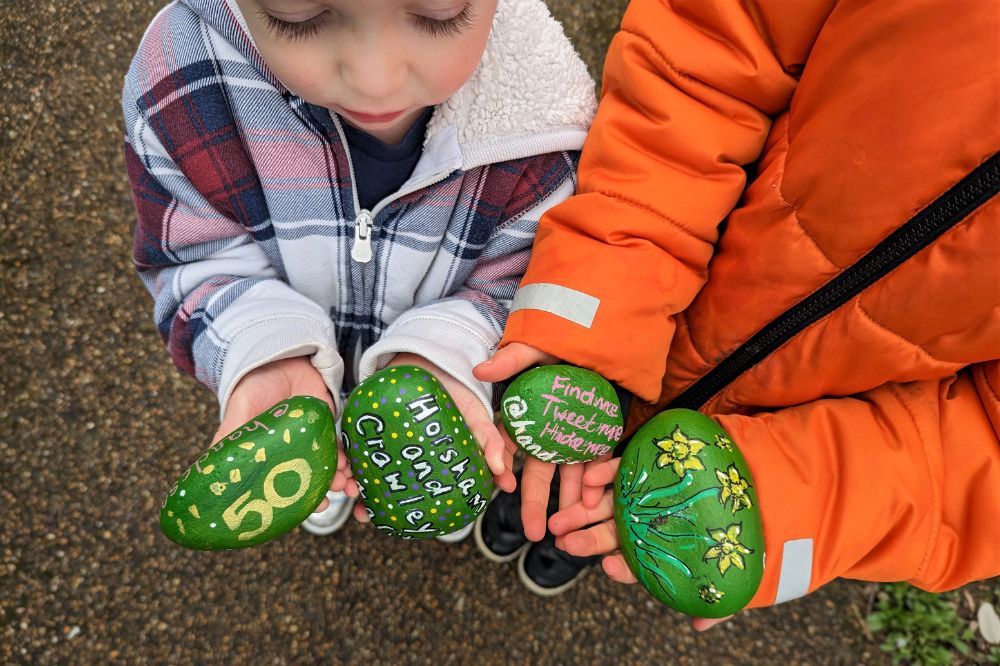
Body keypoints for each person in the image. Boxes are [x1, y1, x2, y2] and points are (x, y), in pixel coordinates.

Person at [473, 0, 1000, 618]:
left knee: (634, 519)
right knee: (549, 447)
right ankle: (539, 492)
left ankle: (586, 530)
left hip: (787, 438)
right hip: (661, 274)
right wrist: (598, 300)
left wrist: (793, 498)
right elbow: (713, 40)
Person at [123, 0, 596, 542]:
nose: (376, 80)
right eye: (296, 16)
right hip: (289, 379)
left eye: (439, 13)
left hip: (443, 400)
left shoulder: (544, 124)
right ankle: (315, 461)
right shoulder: (184, 82)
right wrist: (264, 352)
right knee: (306, 451)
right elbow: (196, 257)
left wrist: (446, 359)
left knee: (437, 470)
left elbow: (521, 283)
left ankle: (429, 474)